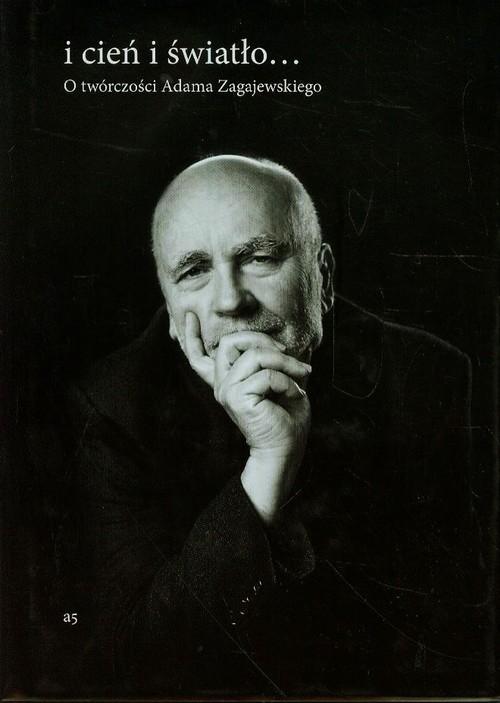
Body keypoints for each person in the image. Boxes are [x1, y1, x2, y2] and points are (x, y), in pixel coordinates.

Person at [67, 155, 486, 696]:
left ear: (323, 276)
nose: (230, 301)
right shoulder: (110, 407)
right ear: (170, 308)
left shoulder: (426, 378)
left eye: (260, 258)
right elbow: (132, 662)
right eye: (194, 272)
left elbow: (454, 636)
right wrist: (267, 466)